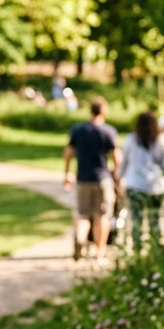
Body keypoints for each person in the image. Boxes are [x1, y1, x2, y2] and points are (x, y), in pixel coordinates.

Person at [63, 96, 122, 260]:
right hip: (103, 178)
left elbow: (68, 153)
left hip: (83, 178)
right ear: (103, 110)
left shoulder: (78, 130)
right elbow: (117, 157)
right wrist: (117, 175)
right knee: (101, 216)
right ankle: (99, 251)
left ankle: (80, 239)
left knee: (83, 214)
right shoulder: (108, 131)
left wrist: (67, 173)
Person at [117, 111, 164, 252]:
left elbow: (124, 162)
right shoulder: (161, 140)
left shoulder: (131, 139)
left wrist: (119, 178)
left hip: (135, 185)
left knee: (136, 222)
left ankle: (138, 252)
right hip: (155, 186)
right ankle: (156, 252)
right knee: (155, 221)